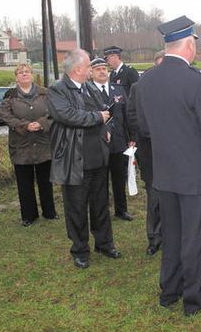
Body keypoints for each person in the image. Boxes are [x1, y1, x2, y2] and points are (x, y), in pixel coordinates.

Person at [136, 16, 201, 316]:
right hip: (196, 174)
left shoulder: (146, 80)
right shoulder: (199, 80)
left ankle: (170, 290)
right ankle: (194, 297)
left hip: (164, 172)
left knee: (173, 235)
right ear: (190, 44)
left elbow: (146, 128)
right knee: (197, 237)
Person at [47, 49, 121, 269]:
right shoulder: (57, 90)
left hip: (98, 157)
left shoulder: (89, 87)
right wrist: (97, 118)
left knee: (101, 204)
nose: (91, 69)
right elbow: (67, 115)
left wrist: (107, 127)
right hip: (75, 160)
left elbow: (106, 112)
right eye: (89, 66)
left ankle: (104, 243)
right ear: (78, 69)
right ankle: (80, 249)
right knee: (76, 207)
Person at [0, 63, 58, 227]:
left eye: (27, 71)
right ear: (16, 77)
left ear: (32, 75)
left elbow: (54, 113)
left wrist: (41, 123)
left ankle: (49, 212)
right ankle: (28, 215)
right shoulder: (10, 95)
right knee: (24, 183)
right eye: (20, 72)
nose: (24, 74)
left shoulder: (45, 93)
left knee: (46, 181)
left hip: (43, 144)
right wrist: (24, 125)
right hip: (21, 145)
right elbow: (4, 115)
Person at [127, 50, 164, 256]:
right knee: (153, 191)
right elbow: (131, 115)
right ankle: (154, 236)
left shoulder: (174, 88)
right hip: (148, 148)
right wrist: (150, 133)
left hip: (171, 148)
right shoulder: (138, 88)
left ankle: (172, 233)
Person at [89, 57, 134, 221]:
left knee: (119, 178)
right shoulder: (87, 91)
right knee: (99, 181)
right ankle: (102, 212)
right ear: (91, 72)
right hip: (97, 143)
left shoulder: (118, 89)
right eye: (98, 69)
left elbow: (127, 115)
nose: (102, 71)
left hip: (119, 142)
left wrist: (132, 137)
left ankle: (121, 210)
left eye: (104, 68)